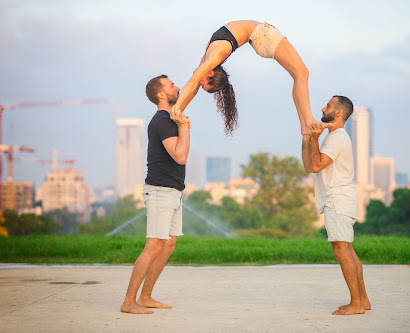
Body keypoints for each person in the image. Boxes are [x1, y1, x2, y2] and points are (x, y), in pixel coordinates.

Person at [171, 20, 332, 135]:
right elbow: (193, 85)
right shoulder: (214, 57)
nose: (198, 79)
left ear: (210, 73)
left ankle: (305, 124)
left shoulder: (209, 59)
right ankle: (307, 121)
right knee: (302, 73)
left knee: (300, 74)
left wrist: (178, 109)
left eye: (202, 82)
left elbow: (192, 84)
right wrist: (178, 110)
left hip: (260, 36)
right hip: (262, 36)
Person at [120, 74, 190, 314]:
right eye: (172, 85)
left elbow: (190, 90)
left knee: (168, 244)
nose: (177, 87)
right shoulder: (162, 121)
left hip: (173, 191)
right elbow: (180, 155)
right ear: (161, 94)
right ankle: (129, 302)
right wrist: (184, 126)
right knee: (153, 246)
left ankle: (146, 296)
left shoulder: (170, 117)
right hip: (160, 191)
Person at [301, 95, 371, 315]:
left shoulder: (337, 137)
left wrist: (314, 138)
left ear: (339, 112)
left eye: (328, 106)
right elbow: (309, 165)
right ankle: (363, 300)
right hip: (340, 199)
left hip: (338, 200)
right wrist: (309, 137)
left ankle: (357, 304)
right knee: (347, 249)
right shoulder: (333, 137)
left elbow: (317, 165)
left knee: (341, 250)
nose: (323, 108)